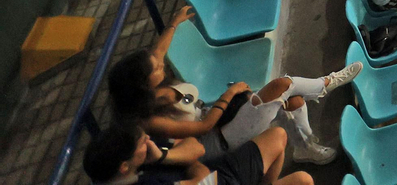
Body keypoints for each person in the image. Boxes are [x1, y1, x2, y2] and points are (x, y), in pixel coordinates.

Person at [104, 9, 359, 167]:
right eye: (156, 68)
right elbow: (203, 128)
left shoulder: (151, 88)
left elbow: (158, 51)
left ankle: (305, 149)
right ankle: (327, 83)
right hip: (220, 140)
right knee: (283, 85)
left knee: (295, 102)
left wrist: (174, 22)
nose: (161, 65)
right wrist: (230, 94)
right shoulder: (151, 120)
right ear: (142, 83)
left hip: (221, 115)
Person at [81, 119, 311, 185]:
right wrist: (189, 164)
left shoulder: (147, 154)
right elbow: (199, 171)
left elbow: (196, 147)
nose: (149, 141)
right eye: (142, 142)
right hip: (218, 178)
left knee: (278, 135)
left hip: (218, 172)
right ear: (124, 166)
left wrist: (163, 156)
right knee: (303, 180)